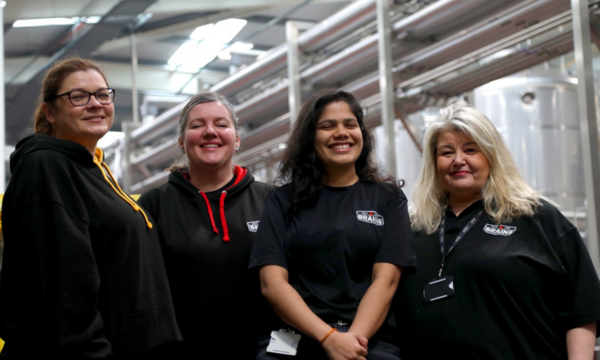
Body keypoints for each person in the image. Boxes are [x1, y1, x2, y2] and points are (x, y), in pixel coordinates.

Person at [0, 58, 181, 358]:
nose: (95, 104)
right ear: (50, 112)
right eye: (78, 96)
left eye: (102, 94)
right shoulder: (45, 166)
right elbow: (65, 287)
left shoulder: (92, 169)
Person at [396, 102, 600, 359]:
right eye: (447, 152)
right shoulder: (412, 228)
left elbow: (582, 308)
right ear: (433, 162)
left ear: (492, 156)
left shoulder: (536, 217)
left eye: (471, 149)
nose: (459, 160)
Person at [249, 89, 416, 360]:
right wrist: (328, 338)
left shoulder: (387, 198)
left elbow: (386, 280)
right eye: (327, 126)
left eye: (350, 124)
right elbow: (272, 283)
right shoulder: (281, 201)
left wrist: (351, 344)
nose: (341, 133)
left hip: (366, 340)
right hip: (292, 338)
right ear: (310, 138)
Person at [137, 92, 273, 359]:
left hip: (260, 353)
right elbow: (142, 291)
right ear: (181, 142)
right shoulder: (153, 205)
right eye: (197, 125)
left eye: (221, 124)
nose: (210, 132)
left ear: (237, 139)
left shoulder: (272, 201)